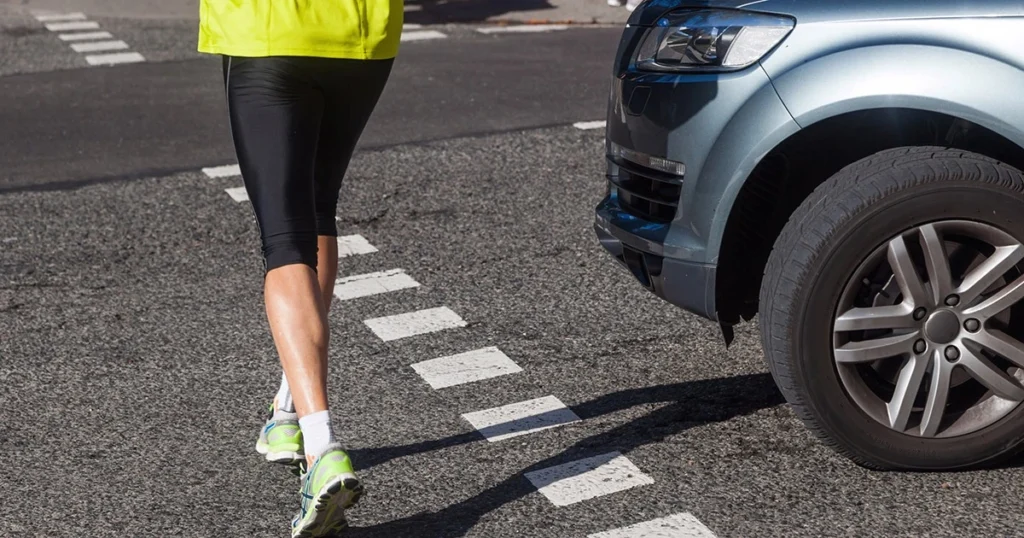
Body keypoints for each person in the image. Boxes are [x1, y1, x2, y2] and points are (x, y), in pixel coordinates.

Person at [197, 1, 401, 536]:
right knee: (317, 208)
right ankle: (287, 410)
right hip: (363, 37)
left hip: (268, 32)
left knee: (285, 238)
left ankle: (321, 446)